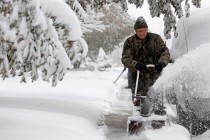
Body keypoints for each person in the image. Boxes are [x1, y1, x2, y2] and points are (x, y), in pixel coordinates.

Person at [121, 16, 170, 107]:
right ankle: (138, 117)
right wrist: (136, 65)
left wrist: (162, 62)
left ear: (147, 29)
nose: (141, 33)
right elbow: (125, 58)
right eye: (139, 31)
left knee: (156, 98)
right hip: (138, 75)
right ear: (135, 31)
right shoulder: (130, 42)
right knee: (139, 100)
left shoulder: (156, 39)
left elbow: (165, 51)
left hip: (155, 73)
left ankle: (157, 113)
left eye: (143, 30)